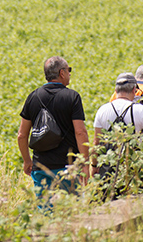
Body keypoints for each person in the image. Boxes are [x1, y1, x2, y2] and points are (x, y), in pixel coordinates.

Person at [18, 56, 90, 198]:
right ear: (62, 73)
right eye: (69, 70)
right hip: (69, 167)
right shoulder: (72, 97)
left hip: (41, 167)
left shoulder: (33, 97)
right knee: (71, 213)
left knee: (46, 212)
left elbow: (22, 135)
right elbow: (80, 132)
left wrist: (27, 161)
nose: (70, 74)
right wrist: (85, 163)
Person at [93, 72, 143, 197]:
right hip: (133, 169)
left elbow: (96, 143)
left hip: (108, 168)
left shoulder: (102, 110)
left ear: (116, 90)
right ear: (134, 90)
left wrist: (94, 166)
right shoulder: (140, 110)